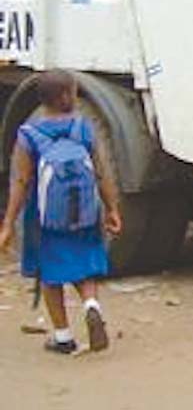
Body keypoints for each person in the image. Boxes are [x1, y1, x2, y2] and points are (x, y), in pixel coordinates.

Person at [0, 70, 123, 354]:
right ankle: (91, 304)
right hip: (85, 214)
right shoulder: (83, 128)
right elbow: (102, 173)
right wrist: (112, 208)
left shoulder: (29, 135)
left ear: (42, 100)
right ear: (72, 95)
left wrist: (8, 223)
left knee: (50, 273)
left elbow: (21, 181)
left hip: (46, 217)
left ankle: (63, 336)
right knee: (84, 263)